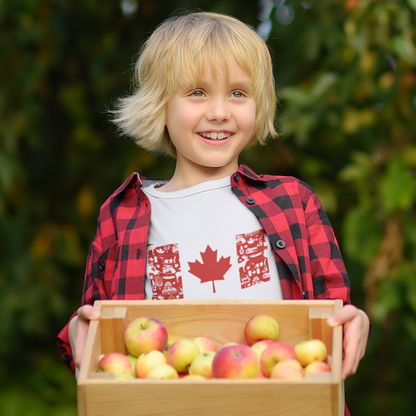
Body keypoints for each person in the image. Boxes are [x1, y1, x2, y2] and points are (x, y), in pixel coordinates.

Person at [57, 10, 369, 402]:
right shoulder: (122, 215)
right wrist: (77, 331)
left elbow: (334, 314)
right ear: (160, 105)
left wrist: (353, 320)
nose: (219, 111)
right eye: (197, 92)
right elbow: (97, 333)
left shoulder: (293, 202)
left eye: (238, 93)